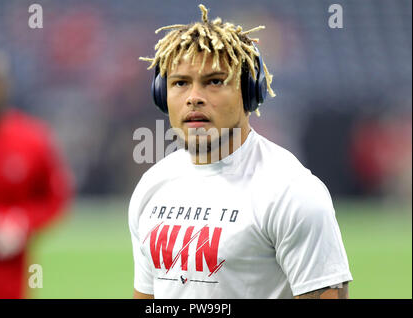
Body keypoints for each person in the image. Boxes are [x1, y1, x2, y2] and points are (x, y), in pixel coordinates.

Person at [129, 5, 352, 299]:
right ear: (162, 94)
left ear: (249, 91)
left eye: (215, 82)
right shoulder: (152, 187)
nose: (194, 98)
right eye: (180, 82)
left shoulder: (291, 192)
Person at [0, 51, 73, 298]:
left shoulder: (31, 140)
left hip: (10, 283)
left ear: (3, 87)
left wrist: (22, 221)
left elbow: (56, 198)